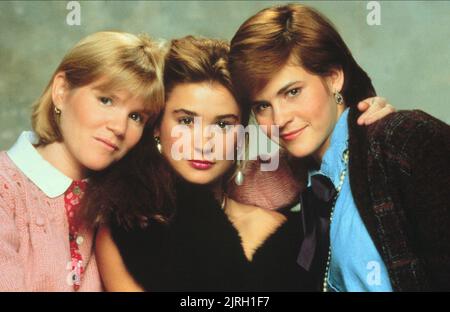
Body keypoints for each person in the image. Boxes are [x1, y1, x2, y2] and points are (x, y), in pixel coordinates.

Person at [82, 35, 395, 291]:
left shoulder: (286, 230)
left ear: (242, 135)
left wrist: (368, 131)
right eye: (186, 120)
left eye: (223, 125)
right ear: (156, 126)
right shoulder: (128, 224)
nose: (203, 143)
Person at [228, 3, 450, 291]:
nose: (280, 119)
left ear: (334, 77)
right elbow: (229, 193)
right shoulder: (316, 186)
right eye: (262, 106)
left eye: (293, 92)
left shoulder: (400, 139)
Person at [0, 31, 166, 291]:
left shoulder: (128, 203)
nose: (119, 127)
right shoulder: (6, 188)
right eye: (106, 100)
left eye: (136, 117)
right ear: (62, 91)